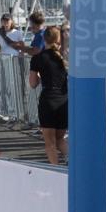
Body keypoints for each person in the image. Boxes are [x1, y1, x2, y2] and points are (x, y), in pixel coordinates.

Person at [28, 26, 68, 165]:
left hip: (48, 101)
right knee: (60, 139)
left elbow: (33, 84)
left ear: (44, 39)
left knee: (50, 142)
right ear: (58, 39)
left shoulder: (38, 58)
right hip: (64, 100)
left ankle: (56, 169)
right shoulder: (64, 57)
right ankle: (76, 163)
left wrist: (40, 77)